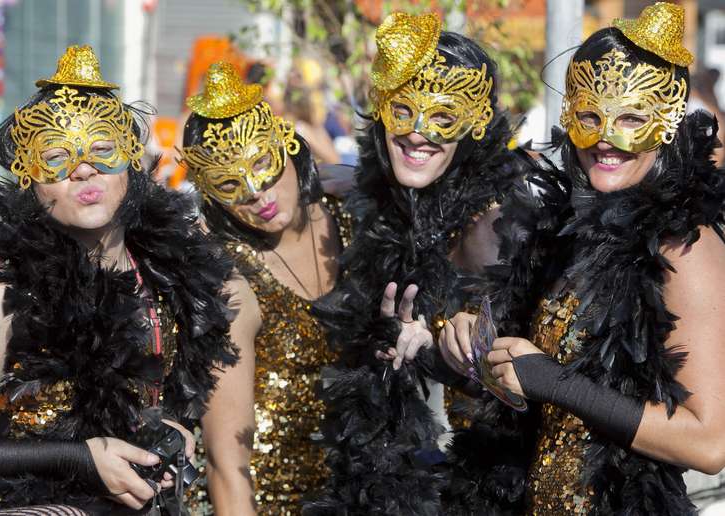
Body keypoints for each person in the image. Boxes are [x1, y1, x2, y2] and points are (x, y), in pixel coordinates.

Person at [437, 3, 725, 514]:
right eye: (590, 116)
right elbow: (522, 373)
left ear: (665, 124)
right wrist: (462, 346)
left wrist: (555, 382)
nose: (606, 139)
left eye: (632, 118)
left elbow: (708, 444)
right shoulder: (567, 229)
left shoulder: (687, 247)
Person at [0, 46, 235, 514]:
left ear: (131, 159)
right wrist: (75, 460)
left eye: (102, 148)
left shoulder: (163, 273)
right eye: (56, 157)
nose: (84, 168)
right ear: (29, 180)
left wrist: (161, 429)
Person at [303, 11, 539, 514]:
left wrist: (448, 358)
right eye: (404, 111)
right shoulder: (395, 204)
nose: (417, 133)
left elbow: (526, 389)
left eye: (444, 117)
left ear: (473, 126)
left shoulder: (497, 228)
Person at [176, 62, 351, 515]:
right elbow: (225, 460)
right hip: (267, 500)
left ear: (289, 147)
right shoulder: (225, 279)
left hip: (364, 486)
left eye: (263, 164)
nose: (257, 193)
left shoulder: (356, 221)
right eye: (230, 184)